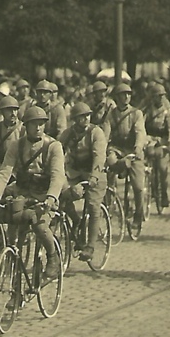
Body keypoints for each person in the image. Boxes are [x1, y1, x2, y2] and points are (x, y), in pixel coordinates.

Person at [0, 106, 67, 280]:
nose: (38, 128)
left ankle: (53, 257)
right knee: (12, 221)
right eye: (33, 124)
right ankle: (13, 272)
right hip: (22, 193)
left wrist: (51, 198)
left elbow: (57, 176)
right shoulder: (17, 145)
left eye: (41, 124)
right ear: (26, 126)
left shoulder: (54, 146)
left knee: (39, 225)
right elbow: (5, 171)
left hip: (44, 196)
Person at [57, 102, 108, 262]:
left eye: (87, 115)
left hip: (94, 173)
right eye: (81, 117)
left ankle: (90, 247)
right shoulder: (68, 134)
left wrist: (94, 177)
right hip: (74, 173)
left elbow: (99, 155)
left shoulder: (96, 133)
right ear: (74, 119)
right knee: (61, 196)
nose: (85, 119)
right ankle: (75, 219)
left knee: (93, 206)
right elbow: (57, 151)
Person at [102, 83, 147, 231]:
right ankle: (108, 203)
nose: (126, 97)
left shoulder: (136, 113)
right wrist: (102, 151)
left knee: (139, 186)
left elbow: (140, 132)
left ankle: (138, 214)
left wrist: (138, 148)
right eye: (123, 94)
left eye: (128, 94)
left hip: (133, 151)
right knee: (109, 163)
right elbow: (105, 134)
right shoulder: (111, 114)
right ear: (117, 97)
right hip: (117, 149)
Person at [143, 83, 170, 208]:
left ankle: (164, 193)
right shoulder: (147, 108)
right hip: (150, 138)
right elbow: (141, 124)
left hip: (163, 140)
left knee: (163, 169)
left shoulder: (168, 111)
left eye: (162, 95)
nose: (160, 98)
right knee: (146, 164)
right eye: (158, 96)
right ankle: (149, 187)